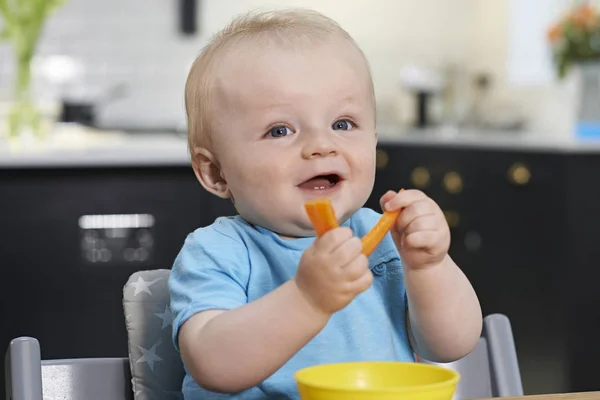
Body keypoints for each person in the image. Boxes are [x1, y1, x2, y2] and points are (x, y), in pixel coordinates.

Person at [169, 7, 482, 399]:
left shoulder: (383, 239)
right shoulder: (218, 252)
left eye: (342, 124)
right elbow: (212, 363)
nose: (321, 145)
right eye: (280, 130)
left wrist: (429, 266)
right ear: (216, 173)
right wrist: (307, 298)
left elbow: (451, 345)